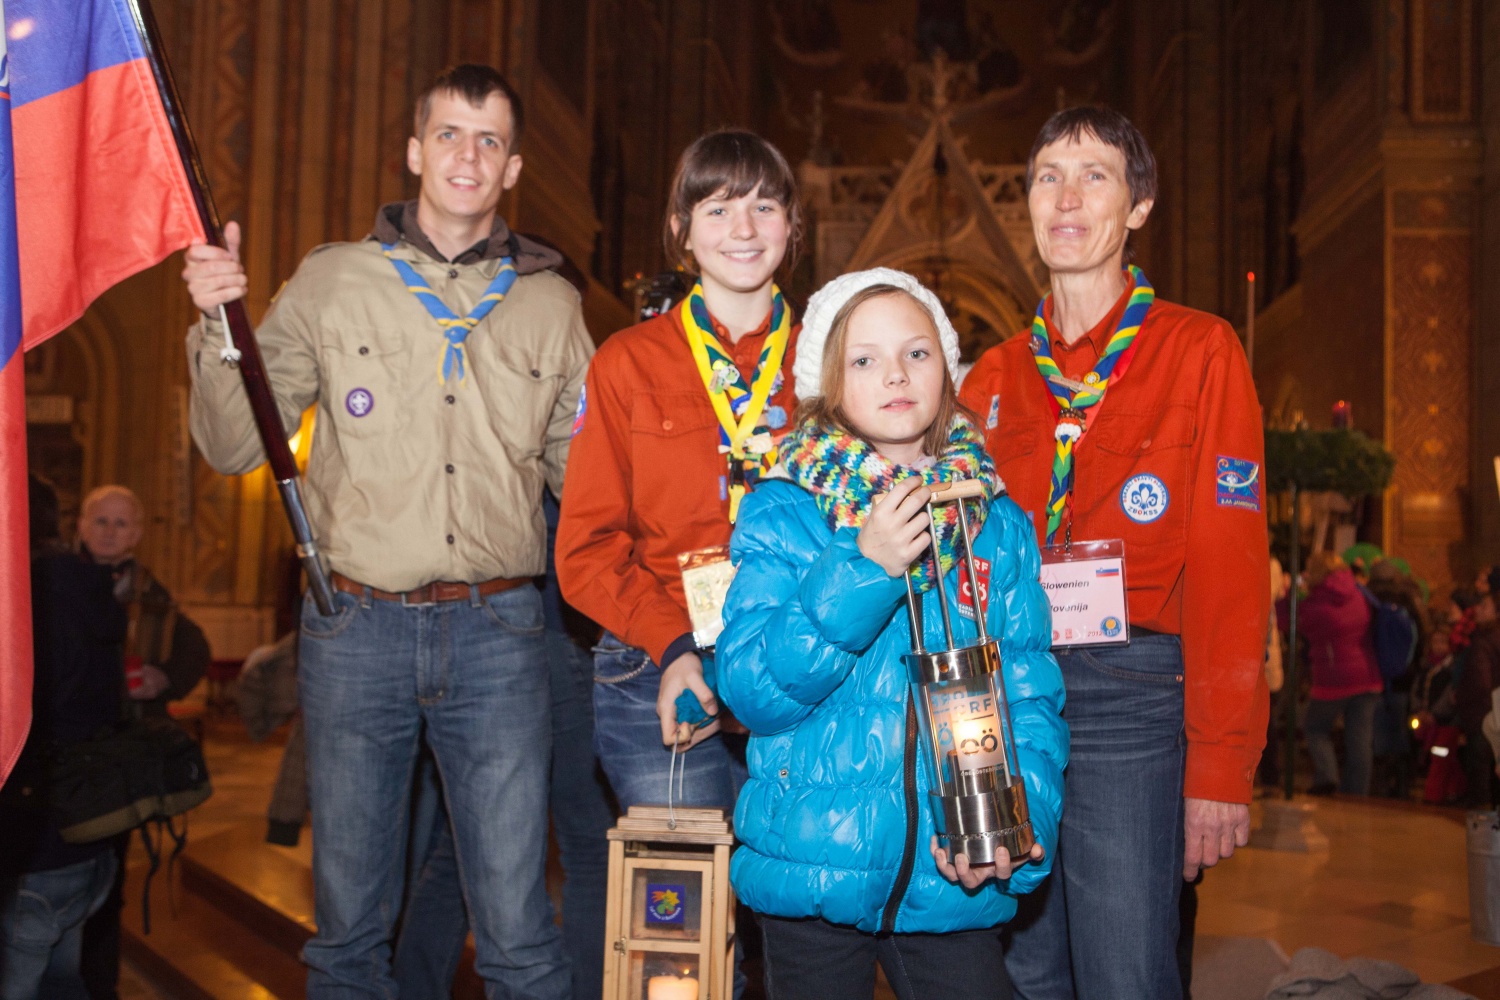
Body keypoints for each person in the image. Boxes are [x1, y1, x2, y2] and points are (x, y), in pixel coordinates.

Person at [181, 64, 593, 998]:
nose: (467, 155)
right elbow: (233, 444)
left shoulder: (554, 307)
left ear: (514, 167)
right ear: (414, 150)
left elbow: (591, 486)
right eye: (449, 134)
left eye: (489, 140)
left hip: (500, 635)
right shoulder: (332, 282)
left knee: (521, 933)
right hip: (356, 630)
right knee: (348, 934)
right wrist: (217, 324)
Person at [958, 105, 1270, 999]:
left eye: (1094, 175)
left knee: (1126, 973)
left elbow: (1230, 573)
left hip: (1132, 699)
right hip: (1011, 695)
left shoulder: (1200, 351)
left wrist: (1217, 765)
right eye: (1047, 177)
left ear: (1138, 206)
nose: (1066, 197)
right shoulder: (989, 380)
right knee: (1023, 973)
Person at [715, 268, 1066, 1000]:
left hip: (949, 869)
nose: (896, 375)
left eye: (918, 352)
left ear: (947, 370)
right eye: (865, 359)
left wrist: (1019, 822)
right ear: (828, 382)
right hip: (812, 865)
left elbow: (1028, 694)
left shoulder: (997, 522)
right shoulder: (786, 510)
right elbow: (752, 690)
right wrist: (864, 568)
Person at [557, 130, 802, 813]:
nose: (744, 230)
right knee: (679, 911)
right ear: (681, 231)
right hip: (654, 663)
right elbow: (586, 548)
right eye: (718, 210)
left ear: (792, 224)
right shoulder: (626, 363)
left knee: (788, 905)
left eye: (764, 206)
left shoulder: (833, 364)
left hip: (800, 668)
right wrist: (673, 647)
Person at [392, 491, 614, 1000]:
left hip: (481, 618)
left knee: (462, 849)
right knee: (589, 844)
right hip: (553, 621)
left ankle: (412, 987)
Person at [67, 487, 210, 1000]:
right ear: (80, 525)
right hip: (61, 754)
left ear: (139, 533)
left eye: (120, 523)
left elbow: (194, 647)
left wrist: (164, 678)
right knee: (52, 878)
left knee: (106, 885)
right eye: (99, 520)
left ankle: (98, 986)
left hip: (120, 759)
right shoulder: (52, 580)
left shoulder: (153, 595)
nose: (108, 531)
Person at [1, 501, 129, 999]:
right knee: (60, 980)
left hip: (36, 843)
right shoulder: (85, 588)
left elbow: (32, 712)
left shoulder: (35, 602)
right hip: (84, 834)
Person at [1290, 552, 1383, 796]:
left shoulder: (1316, 602)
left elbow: (1293, 623)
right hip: (1367, 674)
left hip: (1333, 678)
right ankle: (1356, 795)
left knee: (1313, 726)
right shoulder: (1359, 593)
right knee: (1360, 741)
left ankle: (1327, 776)